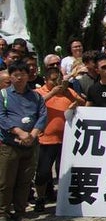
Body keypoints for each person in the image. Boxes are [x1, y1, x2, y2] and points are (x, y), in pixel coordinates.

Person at [0, 61, 47, 221]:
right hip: (10, 144)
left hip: (30, 144)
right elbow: (2, 117)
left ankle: (21, 212)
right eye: (15, 75)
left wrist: (32, 134)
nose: (19, 78)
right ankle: (2, 213)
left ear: (29, 75)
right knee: (6, 181)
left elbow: (42, 115)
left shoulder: (35, 96)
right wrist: (19, 132)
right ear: (10, 76)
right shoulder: (4, 95)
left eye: (23, 74)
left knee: (25, 181)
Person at [33, 66, 85, 212]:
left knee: (63, 171)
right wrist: (52, 94)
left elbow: (84, 103)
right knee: (43, 172)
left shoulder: (68, 91)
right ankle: (40, 198)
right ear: (46, 80)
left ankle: (63, 198)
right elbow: (34, 105)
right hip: (46, 139)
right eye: (53, 80)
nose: (56, 83)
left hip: (66, 140)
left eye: (59, 80)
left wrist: (69, 95)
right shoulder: (39, 92)